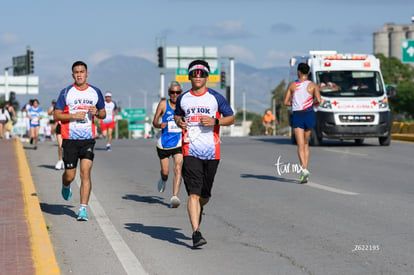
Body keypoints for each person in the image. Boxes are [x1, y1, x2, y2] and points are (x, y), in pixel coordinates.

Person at [174, 60, 235, 248]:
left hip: (212, 151)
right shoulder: (183, 98)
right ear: (189, 76)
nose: (198, 76)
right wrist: (179, 122)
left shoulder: (215, 98)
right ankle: (196, 233)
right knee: (193, 192)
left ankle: (199, 208)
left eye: (201, 73)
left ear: (206, 76)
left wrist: (216, 121)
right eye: (194, 73)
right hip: (190, 149)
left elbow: (231, 118)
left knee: (204, 195)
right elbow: (177, 115)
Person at [54, 61, 106, 221]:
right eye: (76, 72)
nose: (79, 74)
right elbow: (56, 115)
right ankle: (66, 184)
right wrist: (73, 116)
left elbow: (103, 113)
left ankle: (83, 208)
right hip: (69, 139)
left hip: (87, 140)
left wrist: (97, 112)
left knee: (85, 173)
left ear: (87, 74)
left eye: (82, 71)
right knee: (70, 175)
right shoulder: (66, 93)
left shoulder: (95, 92)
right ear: (72, 75)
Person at [283, 63, 321, 184]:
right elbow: (319, 101)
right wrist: (311, 103)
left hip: (298, 115)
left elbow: (285, 102)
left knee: (300, 145)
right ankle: (305, 169)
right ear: (308, 73)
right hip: (309, 114)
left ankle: (304, 169)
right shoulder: (313, 85)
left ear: (298, 72)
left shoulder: (293, 85)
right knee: (306, 144)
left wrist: (294, 104)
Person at [152, 81, 183, 208]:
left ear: (181, 93)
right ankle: (163, 179)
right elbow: (154, 122)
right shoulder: (163, 104)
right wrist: (159, 125)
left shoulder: (184, 104)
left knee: (178, 168)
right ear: (169, 93)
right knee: (166, 171)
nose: (175, 95)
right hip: (164, 142)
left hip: (178, 142)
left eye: (177, 92)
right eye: (172, 92)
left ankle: (174, 196)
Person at [48, 100, 64, 170]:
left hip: (69, 128)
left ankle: (65, 161)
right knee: (60, 145)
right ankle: (60, 160)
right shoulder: (57, 107)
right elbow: (51, 114)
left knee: (67, 146)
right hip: (60, 127)